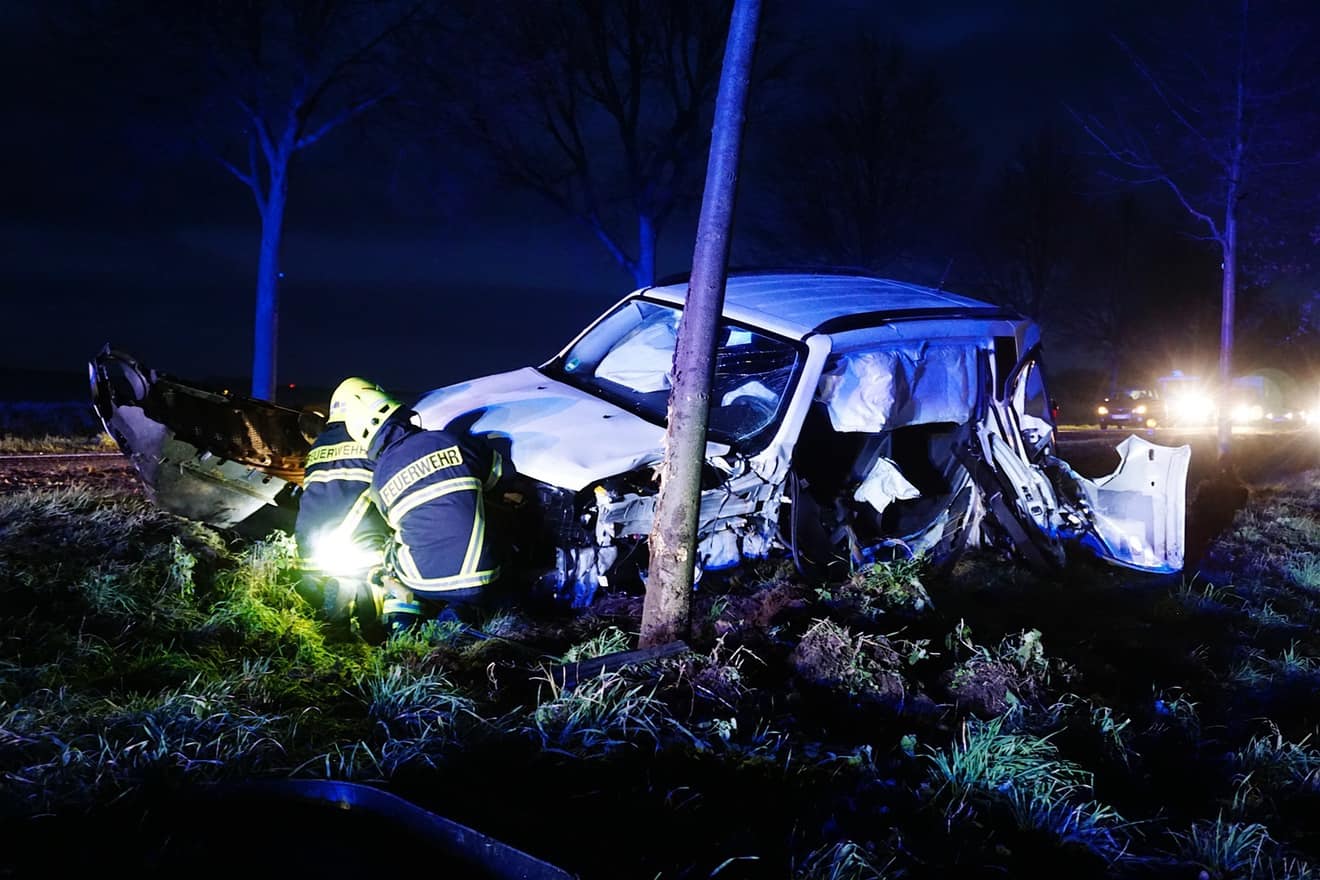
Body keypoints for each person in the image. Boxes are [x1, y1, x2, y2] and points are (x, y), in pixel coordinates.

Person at [338, 378, 506, 635]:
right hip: (484, 575)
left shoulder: (378, 482)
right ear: (400, 412)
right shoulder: (449, 440)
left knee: (390, 553)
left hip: (422, 582)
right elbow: (501, 475)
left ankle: (402, 628)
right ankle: (463, 613)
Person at [292, 378, 392, 636]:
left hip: (309, 549)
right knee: (377, 570)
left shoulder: (319, 445)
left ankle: (337, 618)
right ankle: (373, 624)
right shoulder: (370, 439)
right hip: (356, 546)